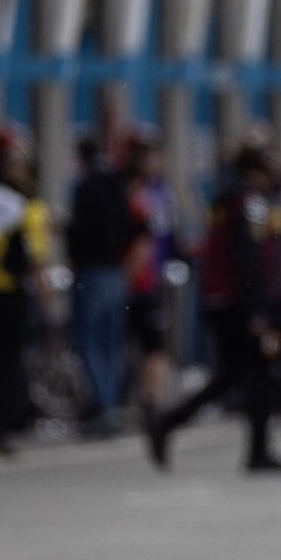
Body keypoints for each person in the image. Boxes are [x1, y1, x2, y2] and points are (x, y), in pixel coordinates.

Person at [146, 145, 281, 473]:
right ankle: (256, 450)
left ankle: (171, 422)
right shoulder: (250, 204)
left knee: (234, 376)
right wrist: (258, 312)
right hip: (240, 303)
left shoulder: (227, 200)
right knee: (257, 375)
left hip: (222, 299)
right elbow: (249, 260)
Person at [0, 129, 52, 456]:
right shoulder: (26, 208)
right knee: (3, 366)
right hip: (8, 295)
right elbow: (35, 261)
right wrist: (49, 304)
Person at [68, 137, 143, 435]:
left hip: (94, 272)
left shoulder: (87, 188)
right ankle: (112, 402)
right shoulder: (119, 191)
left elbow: (79, 232)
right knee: (111, 343)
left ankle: (104, 405)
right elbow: (134, 229)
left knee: (89, 341)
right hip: (116, 273)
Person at [123, 136, 178, 424]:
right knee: (146, 344)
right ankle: (145, 400)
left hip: (151, 280)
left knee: (153, 345)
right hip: (138, 281)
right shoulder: (135, 196)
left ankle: (150, 400)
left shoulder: (161, 193)